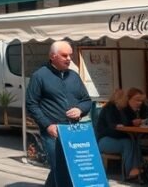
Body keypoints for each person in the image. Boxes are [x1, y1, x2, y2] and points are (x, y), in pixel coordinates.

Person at [26, 41, 92, 187]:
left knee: (69, 168)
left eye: (70, 55)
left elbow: (87, 100)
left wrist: (80, 110)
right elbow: (31, 104)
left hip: (73, 131)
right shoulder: (39, 76)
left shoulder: (74, 76)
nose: (69, 58)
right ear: (52, 56)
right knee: (60, 167)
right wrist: (47, 125)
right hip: (53, 131)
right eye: (64, 55)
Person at [95, 88, 142, 180]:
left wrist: (132, 123)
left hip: (116, 138)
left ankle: (135, 169)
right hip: (104, 140)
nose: (127, 102)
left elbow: (125, 124)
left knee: (132, 141)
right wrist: (120, 127)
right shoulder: (109, 109)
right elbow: (111, 127)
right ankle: (130, 171)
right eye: (125, 99)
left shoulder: (121, 110)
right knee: (128, 143)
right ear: (119, 99)